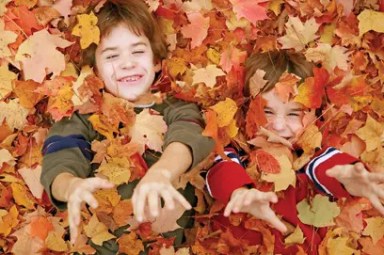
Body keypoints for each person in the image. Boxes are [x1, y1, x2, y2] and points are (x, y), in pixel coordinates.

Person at [40, 0, 214, 253]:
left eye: (138, 51)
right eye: (112, 55)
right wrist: (70, 186)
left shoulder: (177, 108)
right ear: (96, 70)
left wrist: (163, 171)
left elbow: (189, 135)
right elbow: (61, 158)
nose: (127, 63)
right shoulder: (83, 119)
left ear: (156, 61)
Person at [205, 50, 384, 254]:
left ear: (313, 115)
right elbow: (220, 171)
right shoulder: (236, 155)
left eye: (293, 114)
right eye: (267, 112)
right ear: (247, 112)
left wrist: (347, 175)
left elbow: (327, 167)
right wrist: (239, 191)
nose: (279, 126)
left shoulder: (310, 162)